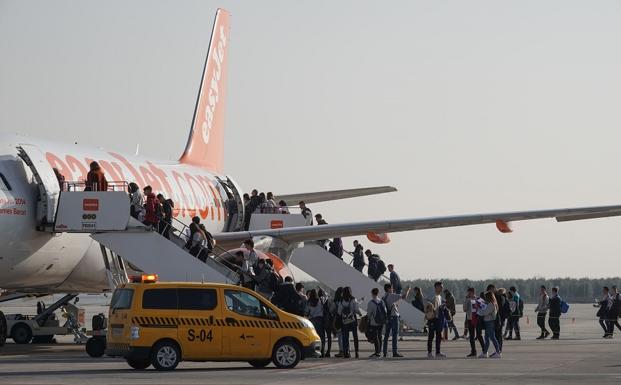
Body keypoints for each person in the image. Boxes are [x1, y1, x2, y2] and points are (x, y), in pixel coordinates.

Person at [382, 283, 411, 358]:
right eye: (391, 288)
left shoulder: (384, 297)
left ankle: (385, 352)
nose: (393, 289)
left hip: (387, 318)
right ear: (388, 289)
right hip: (394, 317)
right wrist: (408, 290)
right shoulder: (392, 295)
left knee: (386, 335)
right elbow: (404, 297)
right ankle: (395, 352)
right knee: (395, 335)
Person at [337, 286, 361, 358]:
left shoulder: (341, 301)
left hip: (345, 321)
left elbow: (339, 312)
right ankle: (356, 352)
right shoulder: (353, 300)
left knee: (345, 337)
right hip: (353, 320)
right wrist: (360, 313)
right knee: (355, 336)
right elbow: (356, 309)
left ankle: (346, 352)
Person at [427, 281, 446, 359]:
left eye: (442, 287)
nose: (442, 288)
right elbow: (426, 304)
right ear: (436, 287)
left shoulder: (440, 296)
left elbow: (438, 307)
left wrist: (442, 306)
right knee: (431, 336)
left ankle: (438, 352)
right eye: (440, 287)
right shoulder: (432, 295)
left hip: (438, 319)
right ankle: (429, 353)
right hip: (432, 319)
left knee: (438, 336)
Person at [479, 292, 502, 358]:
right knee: (486, 338)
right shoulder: (492, 303)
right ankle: (485, 352)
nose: (485, 298)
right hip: (488, 322)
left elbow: (485, 312)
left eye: (486, 297)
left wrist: (479, 311)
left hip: (489, 322)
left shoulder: (491, 304)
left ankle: (498, 352)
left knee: (492, 338)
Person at [305, 289, 326, 356]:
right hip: (320, 319)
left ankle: (314, 351)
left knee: (313, 337)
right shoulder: (320, 300)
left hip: (312, 320)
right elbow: (326, 297)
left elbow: (306, 311)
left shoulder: (309, 302)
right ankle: (322, 351)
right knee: (321, 337)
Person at [366, 287, 386, 358]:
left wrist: (367, 320)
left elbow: (368, 314)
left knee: (375, 337)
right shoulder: (382, 301)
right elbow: (385, 311)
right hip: (381, 321)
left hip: (374, 322)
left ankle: (377, 352)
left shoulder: (371, 303)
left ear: (372, 293)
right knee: (380, 336)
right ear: (378, 293)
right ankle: (379, 351)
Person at [464, 287, 484, 357]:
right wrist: (467, 300)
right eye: (468, 293)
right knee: (472, 336)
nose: (468, 294)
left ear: (473, 292)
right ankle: (474, 351)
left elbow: (464, 309)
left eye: (469, 293)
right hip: (471, 319)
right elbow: (464, 309)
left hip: (476, 319)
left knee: (478, 335)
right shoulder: (471, 299)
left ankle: (484, 350)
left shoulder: (477, 299)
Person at [318, 288, 333, 357]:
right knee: (329, 336)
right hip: (328, 320)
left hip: (321, 320)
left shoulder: (318, 300)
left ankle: (322, 351)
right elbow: (331, 310)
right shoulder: (328, 300)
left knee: (322, 337)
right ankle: (328, 351)